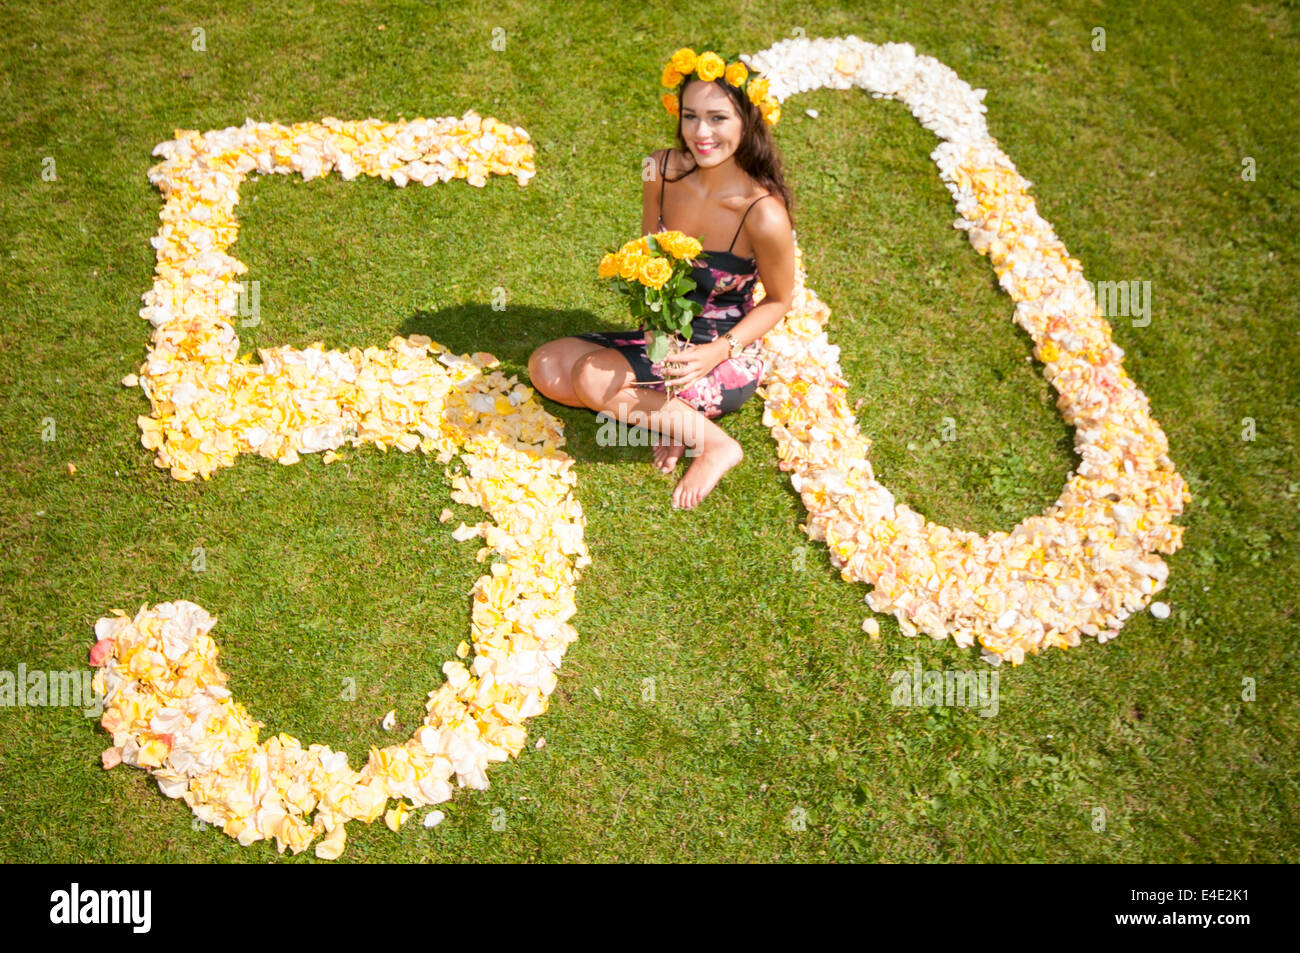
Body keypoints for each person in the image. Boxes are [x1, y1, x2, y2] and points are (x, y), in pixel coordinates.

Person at [527, 49, 797, 510]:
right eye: (691, 116)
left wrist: (717, 350)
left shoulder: (763, 213)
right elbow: (650, 252)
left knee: (593, 381)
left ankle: (716, 446)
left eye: (718, 118)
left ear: (748, 121)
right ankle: (671, 418)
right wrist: (653, 319)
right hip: (662, 334)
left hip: (720, 351)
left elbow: (780, 300)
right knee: (546, 368)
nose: (701, 133)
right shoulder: (662, 169)